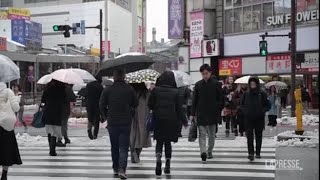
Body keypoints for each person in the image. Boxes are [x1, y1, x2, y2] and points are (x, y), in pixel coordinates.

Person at [99, 69, 138, 179]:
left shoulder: (108, 90)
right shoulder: (129, 89)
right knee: (124, 147)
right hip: (126, 121)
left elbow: (101, 104)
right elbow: (136, 103)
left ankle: (115, 168)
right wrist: (130, 111)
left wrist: (106, 115)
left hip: (112, 121)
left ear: (114, 77)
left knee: (114, 146)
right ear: (124, 76)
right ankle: (122, 169)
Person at [148, 71, 187, 176]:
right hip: (171, 120)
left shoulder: (155, 90)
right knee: (168, 142)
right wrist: (184, 121)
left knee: (159, 141)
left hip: (159, 119)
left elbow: (150, 104)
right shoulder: (175, 92)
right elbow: (179, 109)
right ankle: (168, 164)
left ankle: (158, 158)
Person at [190, 64, 223, 162]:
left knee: (212, 135)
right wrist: (192, 114)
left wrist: (218, 109)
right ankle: (203, 152)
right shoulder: (198, 84)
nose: (205, 75)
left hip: (213, 113)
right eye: (203, 74)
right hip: (201, 113)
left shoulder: (216, 84)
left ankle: (209, 150)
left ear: (210, 73)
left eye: (206, 73)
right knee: (202, 134)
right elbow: (194, 100)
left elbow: (221, 99)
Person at [240, 77, 270, 161]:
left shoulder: (262, 93)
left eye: (254, 84)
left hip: (259, 118)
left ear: (257, 84)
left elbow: (268, 105)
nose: (252, 85)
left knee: (258, 136)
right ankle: (251, 153)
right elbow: (241, 105)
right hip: (248, 119)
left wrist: (262, 111)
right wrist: (245, 112)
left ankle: (258, 152)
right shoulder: (246, 94)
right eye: (251, 84)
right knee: (249, 136)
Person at [0, 82, 22, 180]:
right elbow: (16, 107)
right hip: (6, 125)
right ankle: (4, 174)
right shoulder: (8, 91)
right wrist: (16, 99)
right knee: (6, 149)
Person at [41, 80, 68, 156]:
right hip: (57, 113)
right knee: (55, 132)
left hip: (48, 112)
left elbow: (43, 101)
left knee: (49, 131)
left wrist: (42, 107)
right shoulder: (62, 90)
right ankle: (53, 149)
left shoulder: (47, 89)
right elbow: (65, 101)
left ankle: (51, 148)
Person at [129, 83, 152, 163]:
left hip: (132, 115)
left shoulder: (130, 91)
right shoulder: (146, 93)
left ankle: (133, 152)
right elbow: (150, 104)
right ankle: (137, 153)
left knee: (132, 135)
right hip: (143, 117)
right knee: (142, 136)